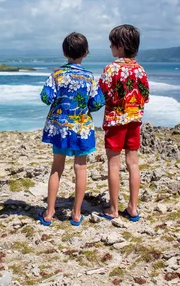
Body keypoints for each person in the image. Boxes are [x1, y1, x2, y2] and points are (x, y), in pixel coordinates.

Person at [38, 32, 105, 227]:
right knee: (81, 168)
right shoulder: (89, 77)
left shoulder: (56, 74)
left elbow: (45, 97)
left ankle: (49, 212)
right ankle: (76, 214)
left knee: (56, 168)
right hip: (82, 129)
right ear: (86, 53)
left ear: (64, 52)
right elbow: (98, 102)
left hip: (60, 129)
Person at [98, 25, 149, 222]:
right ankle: (133, 207)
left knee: (113, 164)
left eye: (111, 43)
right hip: (134, 121)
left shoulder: (111, 69)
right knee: (133, 163)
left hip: (115, 121)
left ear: (119, 46)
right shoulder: (140, 70)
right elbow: (145, 95)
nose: (110, 47)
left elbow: (101, 94)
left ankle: (113, 209)